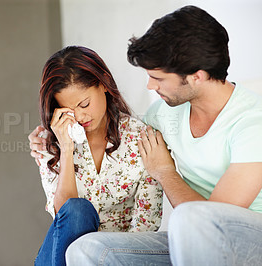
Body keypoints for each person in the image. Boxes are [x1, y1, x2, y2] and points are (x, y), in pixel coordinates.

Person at [30, 5, 262, 266]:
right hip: (188, 238)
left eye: (158, 78)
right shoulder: (162, 116)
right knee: (88, 248)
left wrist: (165, 172)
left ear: (196, 77)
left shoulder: (253, 122)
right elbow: (123, 131)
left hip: (250, 238)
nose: (150, 86)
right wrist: (50, 140)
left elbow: (216, 218)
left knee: (190, 218)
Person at [31, 46, 163, 266]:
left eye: (84, 104)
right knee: (76, 209)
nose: (81, 116)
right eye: (69, 110)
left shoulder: (141, 138)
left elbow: (145, 228)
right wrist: (66, 148)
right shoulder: (50, 143)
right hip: (61, 259)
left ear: (103, 83)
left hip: (116, 257)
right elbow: (64, 219)